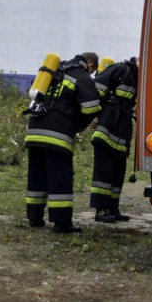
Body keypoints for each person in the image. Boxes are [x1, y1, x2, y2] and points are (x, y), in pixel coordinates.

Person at [25, 52, 101, 233]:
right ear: (90, 65)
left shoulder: (53, 70)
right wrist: (78, 125)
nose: (91, 74)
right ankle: (62, 222)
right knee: (60, 177)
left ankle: (35, 217)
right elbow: (92, 106)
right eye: (93, 71)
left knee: (37, 175)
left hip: (34, 130)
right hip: (57, 134)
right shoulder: (81, 76)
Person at [90, 57, 139, 223]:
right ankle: (100, 209)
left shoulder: (136, 77)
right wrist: (95, 115)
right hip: (107, 125)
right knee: (104, 170)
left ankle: (113, 207)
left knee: (118, 170)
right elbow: (95, 90)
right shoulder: (120, 69)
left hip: (122, 128)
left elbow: (128, 103)